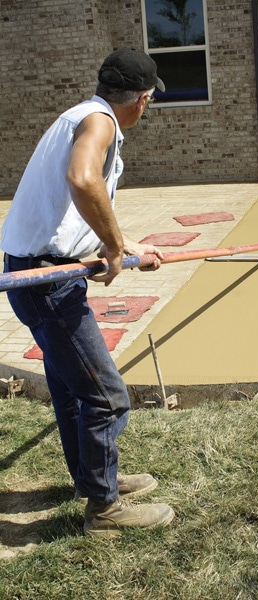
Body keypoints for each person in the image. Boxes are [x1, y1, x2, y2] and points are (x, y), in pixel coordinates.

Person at [1, 48, 175, 537]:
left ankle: (94, 480)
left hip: (41, 271)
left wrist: (129, 247)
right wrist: (117, 248)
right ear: (141, 100)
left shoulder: (80, 116)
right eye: (149, 101)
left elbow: (70, 213)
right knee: (107, 396)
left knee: (74, 391)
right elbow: (82, 180)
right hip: (45, 281)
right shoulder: (99, 125)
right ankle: (104, 511)